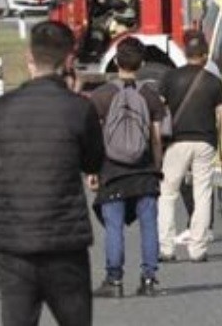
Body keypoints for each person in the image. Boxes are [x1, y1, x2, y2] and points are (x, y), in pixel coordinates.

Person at [0, 20, 104, 326]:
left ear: (29, 57)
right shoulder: (78, 109)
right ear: (69, 60)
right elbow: (93, 163)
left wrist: (0, 232)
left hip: (14, 246)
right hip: (65, 243)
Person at [87, 37, 165, 298]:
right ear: (142, 63)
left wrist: (93, 171)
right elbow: (156, 138)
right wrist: (157, 168)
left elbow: (95, 139)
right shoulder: (150, 96)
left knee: (113, 227)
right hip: (144, 172)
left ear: (116, 62)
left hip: (112, 171)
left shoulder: (101, 96)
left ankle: (114, 280)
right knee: (149, 225)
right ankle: (150, 279)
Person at [158, 31, 222, 262]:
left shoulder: (170, 78)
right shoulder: (215, 82)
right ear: (205, 55)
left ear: (185, 54)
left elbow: (160, 111)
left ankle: (167, 249)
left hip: (176, 142)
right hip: (205, 142)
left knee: (167, 193)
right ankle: (198, 249)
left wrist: (157, 144)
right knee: (203, 192)